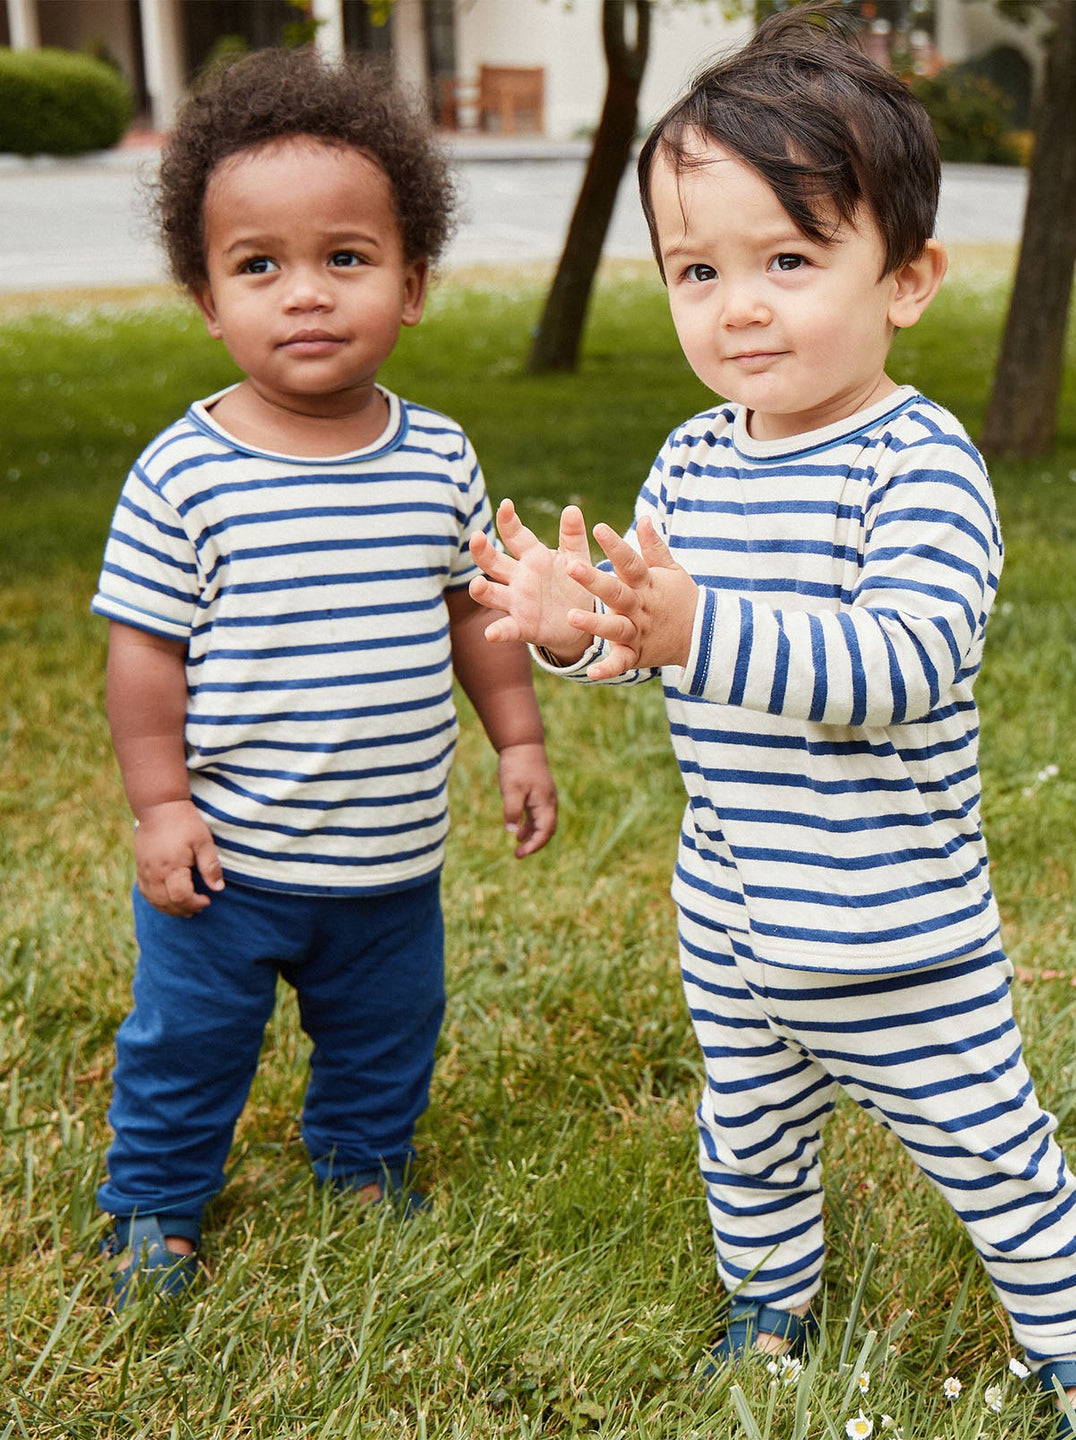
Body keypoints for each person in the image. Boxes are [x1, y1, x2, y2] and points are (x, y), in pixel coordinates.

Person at [466, 10, 1076, 1437]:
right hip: (729, 907)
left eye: (789, 260)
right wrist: (582, 622)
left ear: (906, 280)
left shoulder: (919, 465)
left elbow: (902, 660)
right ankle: (767, 1300)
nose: (741, 308)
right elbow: (659, 640)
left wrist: (694, 627)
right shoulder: (691, 458)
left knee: (992, 1151)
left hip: (895, 929)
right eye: (699, 270)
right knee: (748, 1133)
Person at [91, 47, 556, 1309]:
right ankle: (155, 1202)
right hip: (228, 862)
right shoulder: (185, 474)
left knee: (388, 1030)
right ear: (207, 298)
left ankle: (362, 1161)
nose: (305, 294)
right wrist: (161, 806)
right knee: (189, 1042)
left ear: (414, 284)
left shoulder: (439, 456)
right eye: (259, 267)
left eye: (346, 258)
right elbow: (144, 654)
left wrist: (518, 739)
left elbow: (471, 610)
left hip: (391, 860)